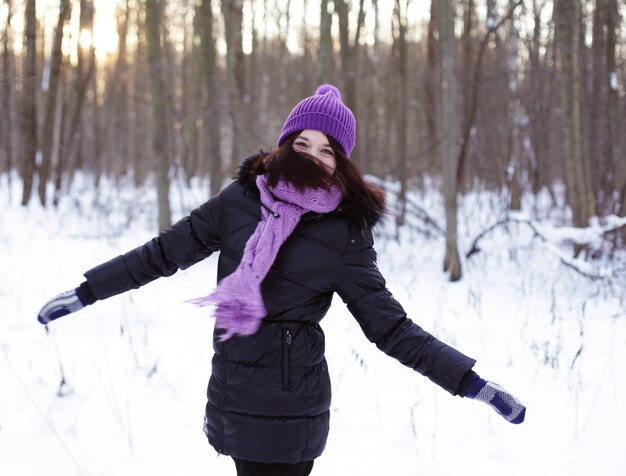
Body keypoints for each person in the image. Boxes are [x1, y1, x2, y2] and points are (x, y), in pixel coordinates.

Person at [37, 84, 526, 476]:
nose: (313, 156)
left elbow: (391, 329)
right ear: (284, 144)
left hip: (295, 407)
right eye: (302, 144)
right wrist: (87, 291)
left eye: (327, 150)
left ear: (341, 161)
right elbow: (162, 254)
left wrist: (471, 383)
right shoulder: (239, 203)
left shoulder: (343, 233)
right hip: (233, 390)